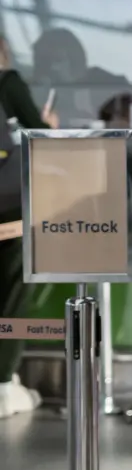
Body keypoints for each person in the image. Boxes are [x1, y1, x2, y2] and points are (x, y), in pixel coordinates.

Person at [0, 34, 58, 419]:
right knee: (10, 297)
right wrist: (49, 124)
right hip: (8, 210)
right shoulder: (8, 82)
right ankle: (4, 384)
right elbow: (43, 138)